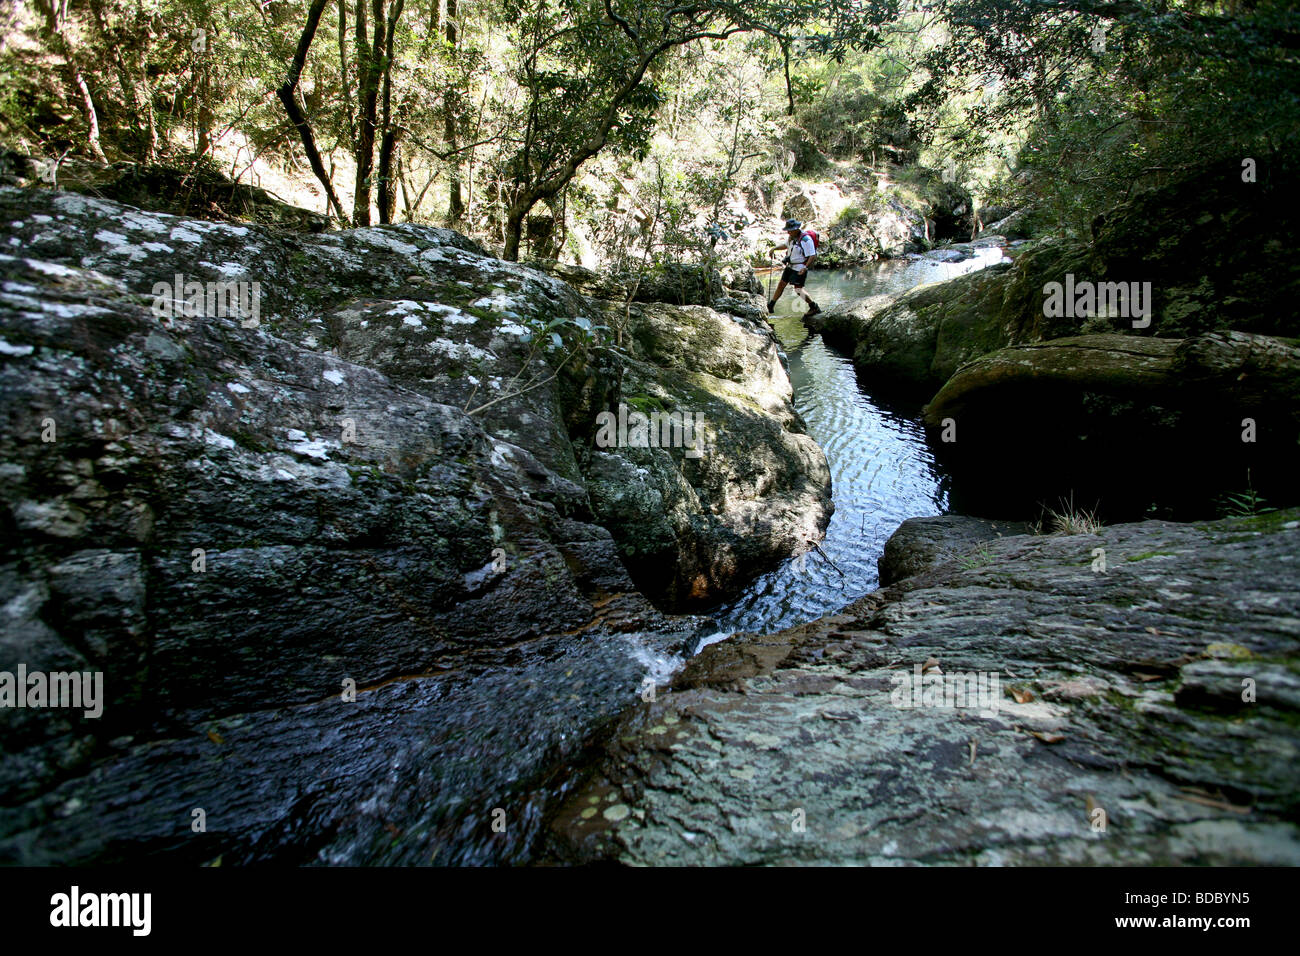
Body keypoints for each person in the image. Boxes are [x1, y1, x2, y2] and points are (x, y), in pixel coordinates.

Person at [768, 218, 821, 315]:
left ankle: (814, 307)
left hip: (799, 267)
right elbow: (785, 245)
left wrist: (805, 267)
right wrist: (774, 249)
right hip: (790, 266)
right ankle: (771, 305)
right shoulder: (791, 238)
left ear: (796, 229)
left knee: (798, 289)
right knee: (781, 284)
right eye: (787, 230)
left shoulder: (806, 239)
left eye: (790, 230)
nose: (788, 232)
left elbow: (812, 255)